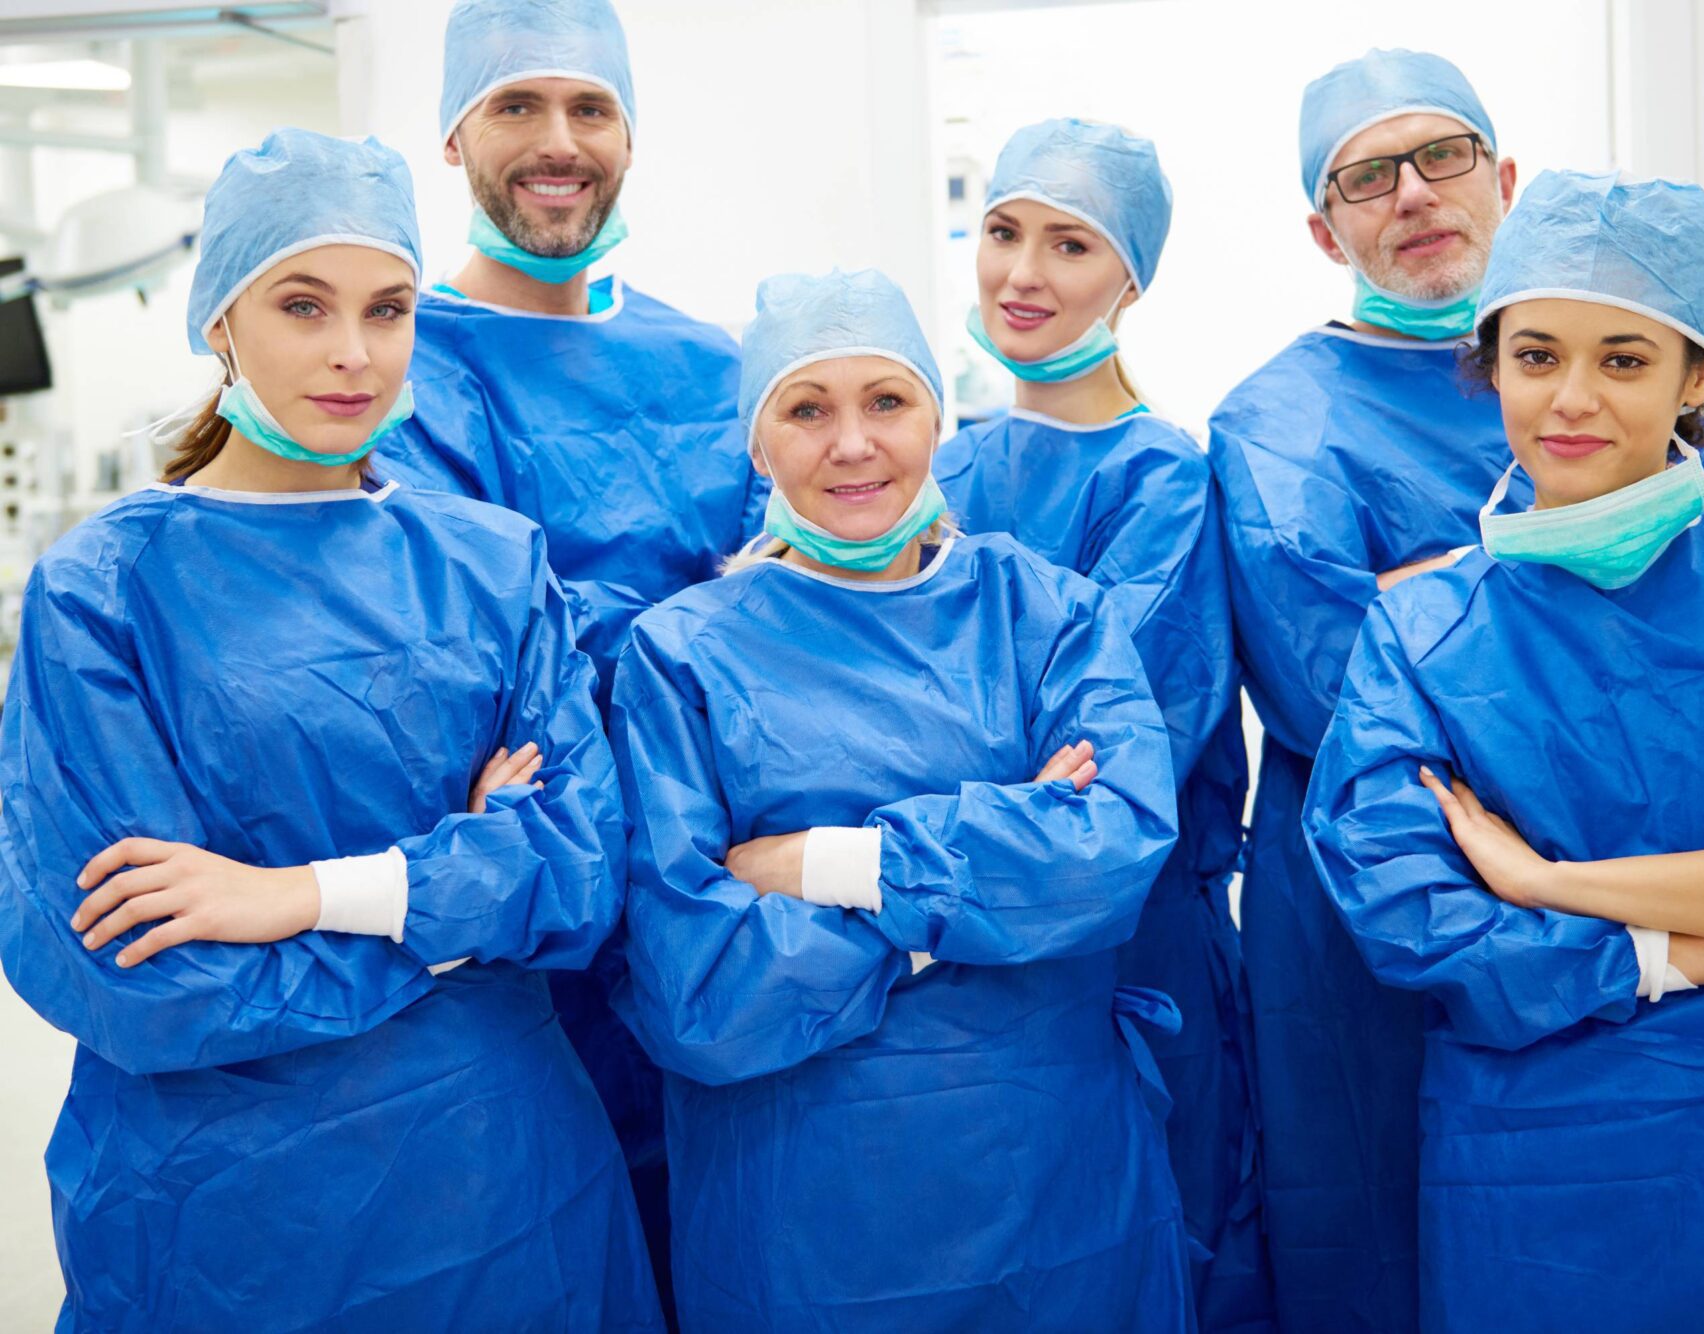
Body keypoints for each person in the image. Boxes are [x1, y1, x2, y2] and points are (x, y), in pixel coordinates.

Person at [0, 129, 658, 1331]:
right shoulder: (103, 592)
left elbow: (576, 878)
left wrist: (295, 894)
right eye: (304, 305)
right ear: (221, 320)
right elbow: (147, 972)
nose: (355, 354)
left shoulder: (496, 566)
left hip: (507, 1188)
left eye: (390, 308)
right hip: (227, 1212)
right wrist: (453, 896)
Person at [1205, 48, 1704, 1330]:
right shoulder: (1278, 423)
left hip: (1671, 873)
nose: (1413, 193)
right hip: (1401, 891)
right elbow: (1338, 674)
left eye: (1443, 155)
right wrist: (1572, 546)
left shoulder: (1633, 329)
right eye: (1367, 176)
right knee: (1392, 1237)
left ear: (1506, 175)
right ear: (1325, 230)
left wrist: (1442, 578)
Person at [1304, 168, 1704, 1333]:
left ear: (1699, 375)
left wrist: (1549, 884)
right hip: (1536, 1189)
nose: (1570, 399)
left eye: (1624, 360)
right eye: (1536, 356)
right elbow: (1412, 914)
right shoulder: (1424, 630)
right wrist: (1703, 941)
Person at [608, 268, 1195, 1332]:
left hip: (1056, 1185)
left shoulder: (1046, 612)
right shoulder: (681, 654)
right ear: (756, 442)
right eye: (806, 409)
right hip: (805, 1211)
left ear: (939, 415)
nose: (852, 444)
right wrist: (991, 889)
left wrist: (823, 866)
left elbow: (1114, 847)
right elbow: (694, 984)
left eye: (886, 401)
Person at [375, 1, 763, 1302]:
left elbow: (805, 636)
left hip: (722, 910)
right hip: (526, 923)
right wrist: (712, 618)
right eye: (516, 105)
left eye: (589, 108)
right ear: (454, 137)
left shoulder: (721, 369)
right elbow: (487, 656)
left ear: (630, 137)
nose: (559, 141)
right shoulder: (397, 367)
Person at [933, 117, 1268, 1331]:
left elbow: (1114, 753)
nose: (1023, 273)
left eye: (1069, 243)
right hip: (963, 953)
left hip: (1131, 946)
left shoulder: (1163, 479)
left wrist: (932, 761)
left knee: (1138, 1256)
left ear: (1131, 277)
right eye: (1004, 231)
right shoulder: (938, 472)